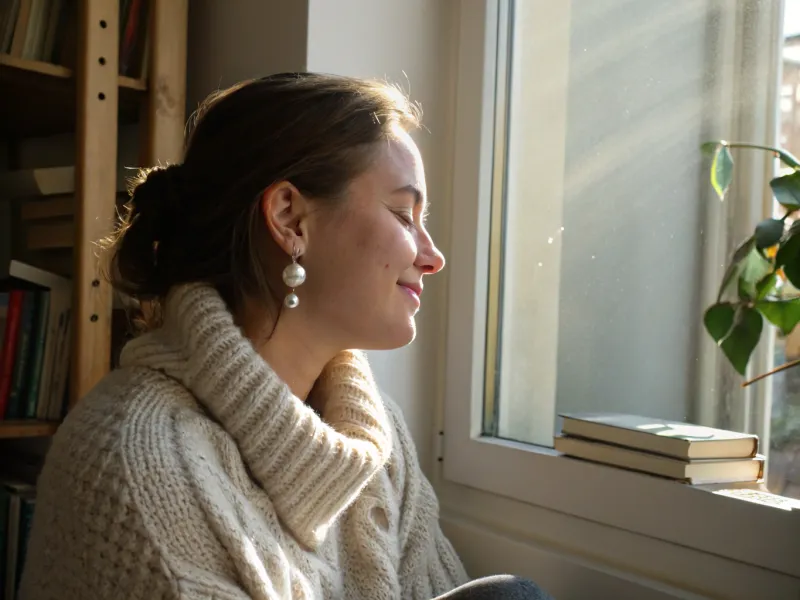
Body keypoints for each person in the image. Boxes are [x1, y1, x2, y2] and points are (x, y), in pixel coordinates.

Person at [18, 73, 553, 600]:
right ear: (290, 219)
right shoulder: (136, 467)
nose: (432, 257)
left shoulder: (373, 436)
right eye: (402, 214)